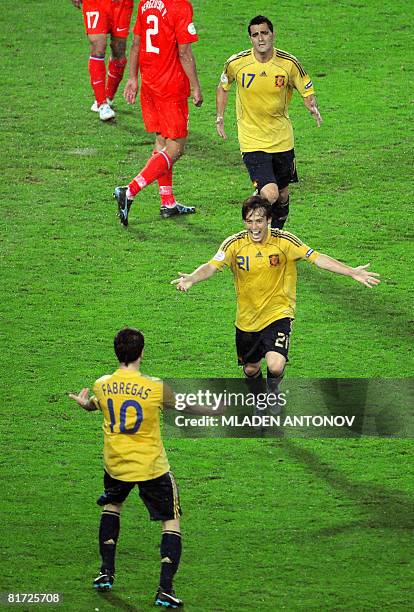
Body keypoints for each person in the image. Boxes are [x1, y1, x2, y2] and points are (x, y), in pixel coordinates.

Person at [172, 196, 380, 399]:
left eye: (259, 221)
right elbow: (211, 266)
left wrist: (351, 271)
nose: (254, 227)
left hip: (278, 313)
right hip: (247, 319)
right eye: (249, 221)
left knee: (276, 364)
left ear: (269, 220)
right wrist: (192, 278)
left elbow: (317, 259)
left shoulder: (284, 241)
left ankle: (272, 393)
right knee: (251, 369)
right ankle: (259, 399)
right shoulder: (234, 244)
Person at [69, 327, 184, 608]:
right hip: (151, 467)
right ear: (142, 353)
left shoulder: (102, 384)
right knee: (171, 520)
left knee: (112, 506)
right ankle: (164, 590)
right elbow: (184, 407)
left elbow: (101, 404)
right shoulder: (156, 387)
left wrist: (87, 405)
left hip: (116, 465)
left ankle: (105, 573)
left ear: (116, 352)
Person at [216, 15, 322, 229]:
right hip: (252, 139)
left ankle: (277, 234)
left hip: (282, 139)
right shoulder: (237, 63)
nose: (260, 39)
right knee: (270, 193)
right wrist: (220, 117)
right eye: (255, 35)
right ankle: (255, 222)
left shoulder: (288, 64)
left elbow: (306, 88)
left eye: (264, 33)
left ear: (272, 35)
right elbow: (223, 87)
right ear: (250, 38)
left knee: (282, 194)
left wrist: (311, 105)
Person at [113, 0, 203, 226]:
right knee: (176, 147)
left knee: (161, 142)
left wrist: (133, 78)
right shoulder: (181, 6)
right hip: (170, 87)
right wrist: (195, 86)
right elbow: (184, 52)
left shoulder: (145, 4)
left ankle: (168, 202)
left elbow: (136, 44)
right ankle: (129, 190)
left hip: (150, 84)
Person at [71, 0, 135, 121]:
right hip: (95, 3)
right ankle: (102, 104)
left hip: (121, 4)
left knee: (119, 50)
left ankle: (108, 97)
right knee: (97, 46)